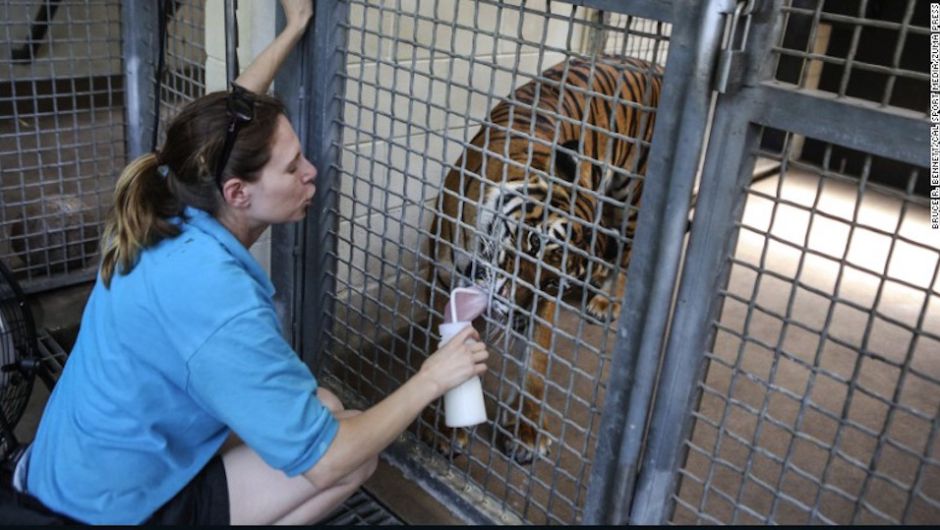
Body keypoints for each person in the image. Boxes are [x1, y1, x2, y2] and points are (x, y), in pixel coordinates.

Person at [15, 0, 489, 524]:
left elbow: (235, 110)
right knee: (351, 457)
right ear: (238, 192)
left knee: (325, 405)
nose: (312, 172)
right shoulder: (217, 299)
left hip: (71, 470)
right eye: (293, 168)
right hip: (109, 512)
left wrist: (297, 27)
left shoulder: (165, 196)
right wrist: (431, 378)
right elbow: (328, 462)